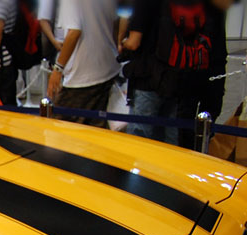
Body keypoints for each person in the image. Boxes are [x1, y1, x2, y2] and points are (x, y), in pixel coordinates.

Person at [122, 0, 235, 147]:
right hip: (179, 77)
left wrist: (121, 41)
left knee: (140, 136)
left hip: (148, 78)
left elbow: (133, 42)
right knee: (171, 137)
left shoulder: (144, 4)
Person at [46, 0, 120, 127]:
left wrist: (58, 69)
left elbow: (74, 32)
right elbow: (116, 21)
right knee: (96, 128)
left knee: (60, 127)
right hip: (107, 66)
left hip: (82, 75)